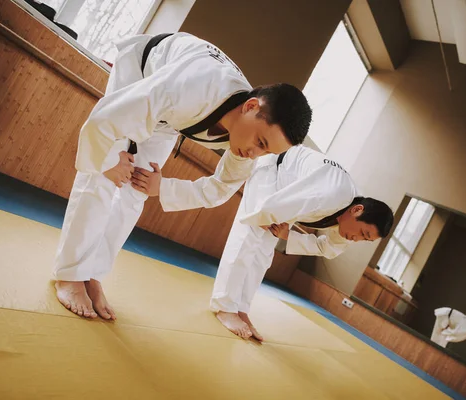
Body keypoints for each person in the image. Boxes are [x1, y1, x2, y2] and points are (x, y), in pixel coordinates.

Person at [53, 33, 312, 320]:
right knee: (104, 177)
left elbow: (218, 190)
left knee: (137, 189)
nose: (254, 154)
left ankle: (93, 274)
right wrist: (106, 163)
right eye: (260, 142)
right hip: (142, 75)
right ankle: (70, 273)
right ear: (251, 107)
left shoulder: (245, 144)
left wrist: (162, 187)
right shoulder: (195, 86)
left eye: (266, 152)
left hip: (171, 119)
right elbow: (104, 120)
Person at [209, 145, 394, 340]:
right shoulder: (331, 194)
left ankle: (241, 309)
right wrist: (264, 214)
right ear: (357, 210)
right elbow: (279, 206)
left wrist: (289, 235)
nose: (356, 239)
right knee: (248, 237)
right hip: (274, 170)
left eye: (365, 239)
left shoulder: (351, 221)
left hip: (293, 191)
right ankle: (225, 308)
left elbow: (327, 248)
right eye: (363, 233)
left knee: (263, 254)